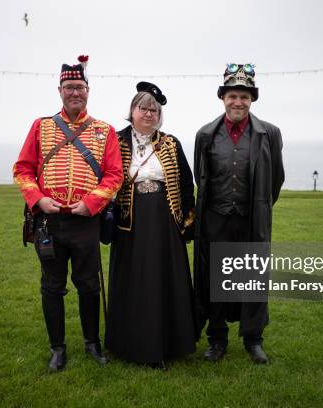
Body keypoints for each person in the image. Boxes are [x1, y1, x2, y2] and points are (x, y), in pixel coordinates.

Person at [13, 55, 123, 372]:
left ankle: (92, 343)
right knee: (52, 286)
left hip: (86, 222)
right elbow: (23, 170)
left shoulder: (105, 130)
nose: (75, 92)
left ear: (88, 90)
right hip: (49, 222)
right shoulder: (41, 126)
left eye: (80, 87)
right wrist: (37, 200)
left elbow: (114, 175)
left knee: (89, 285)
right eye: (69, 87)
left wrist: (91, 203)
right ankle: (57, 349)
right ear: (60, 90)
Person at [193, 63, 285, 364]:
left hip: (251, 220)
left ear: (252, 100)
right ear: (223, 98)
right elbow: (201, 179)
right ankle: (216, 339)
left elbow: (276, 179)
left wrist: (258, 206)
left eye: (244, 96)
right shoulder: (205, 134)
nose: (238, 102)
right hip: (215, 219)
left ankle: (253, 340)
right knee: (215, 280)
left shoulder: (269, 133)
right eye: (233, 95)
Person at [105, 82, 197, 368]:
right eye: (143, 108)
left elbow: (185, 184)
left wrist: (188, 222)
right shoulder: (115, 141)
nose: (148, 114)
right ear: (132, 111)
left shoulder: (170, 143)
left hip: (165, 224)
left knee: (163, 280)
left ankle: (168, 343)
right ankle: (129, 343)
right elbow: (105, 178)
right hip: (128, 224)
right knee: (134, 282)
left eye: (154, 110)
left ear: (159, 115)